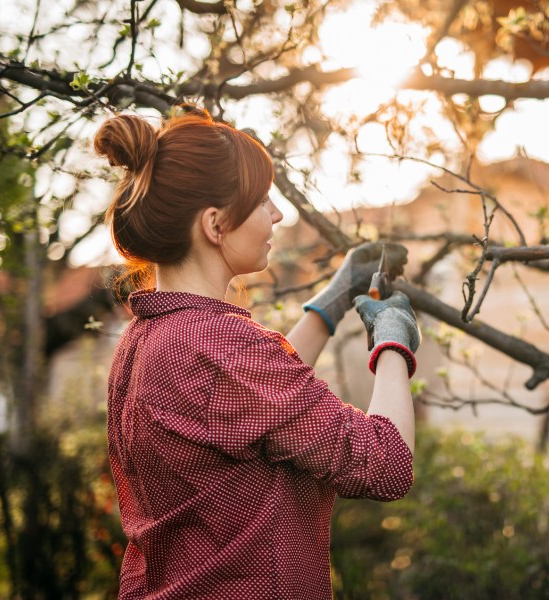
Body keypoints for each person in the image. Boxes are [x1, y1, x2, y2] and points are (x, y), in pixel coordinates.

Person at [94, 106, 420, 599]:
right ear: (215, 224)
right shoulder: (219, 346)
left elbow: (257, 405)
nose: (277, 213)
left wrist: (335, 298)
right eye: (262, 200)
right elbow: (385, 463)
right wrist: (394, 340)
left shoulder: (145, 341)